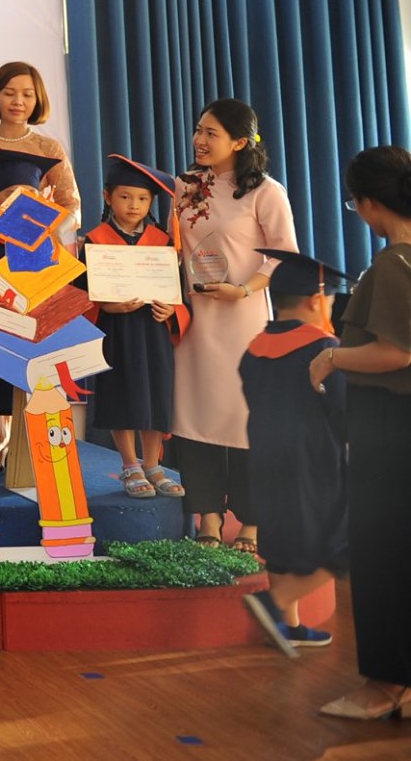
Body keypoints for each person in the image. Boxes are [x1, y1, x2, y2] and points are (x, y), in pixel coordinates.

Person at [172, 98, 295, 556]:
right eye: (198, 130)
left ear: (240, 142)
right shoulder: (184, 187)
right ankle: (207, 517)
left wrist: (243, 290)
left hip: (244, 319)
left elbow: (283, 255)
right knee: (195, 417)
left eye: (212, 133)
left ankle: (251, 523)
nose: (199, 140)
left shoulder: (266, 191)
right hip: (194, 321)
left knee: (245, 421)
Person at [314, 146, 411, 720]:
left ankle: (384, 685)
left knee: (380, 553)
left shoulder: (394, 262)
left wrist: (332, 358)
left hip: (391, 424)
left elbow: (395, 352)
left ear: (369, 202)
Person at [0, 60, 80, 466]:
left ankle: (17, 450)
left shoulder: (49, 149)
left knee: (26, 354)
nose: (18, 101)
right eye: (9, 92)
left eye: (27, 94)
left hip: (30, 267)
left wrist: (45, 229)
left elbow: (72, 206)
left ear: (38, 99)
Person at [238, 250, 349, 655]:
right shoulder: (325, 350)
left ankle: (290, 626)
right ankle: (276, 603)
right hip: (313, 462)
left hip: (265, 454)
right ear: (315, 300)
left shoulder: (254, 348)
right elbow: (343, 410)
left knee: (281, 537)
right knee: (346, 538)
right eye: (330, 300)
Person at [84, 155, 187, 500]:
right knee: (122, 394)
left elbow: (179, 293)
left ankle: (153, 464)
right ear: (107, 196)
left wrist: (171, 310)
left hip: (153, 329)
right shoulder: (95, 240)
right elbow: (81, 296)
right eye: (125, 196)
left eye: (143, 198)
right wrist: (106, 306)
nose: (134, 205)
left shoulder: (162, 242)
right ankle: (130, 464)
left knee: (156, 394)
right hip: (117, 331)